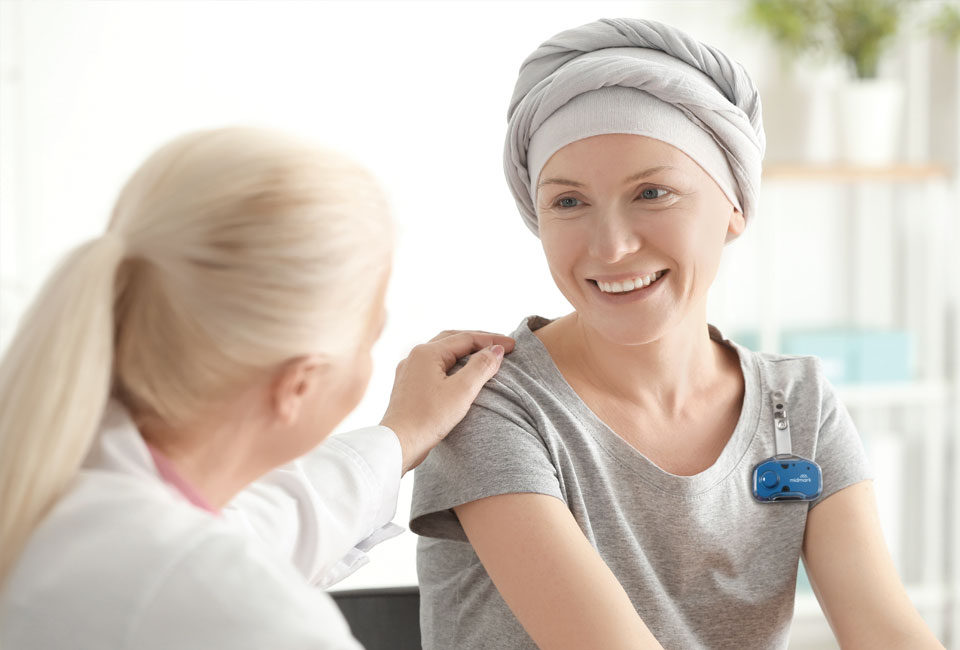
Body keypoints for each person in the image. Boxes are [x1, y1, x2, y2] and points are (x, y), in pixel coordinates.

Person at [410, 17, 945, 650]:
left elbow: (886, 632)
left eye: (652, 192)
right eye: (569, 202)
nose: (611, 246)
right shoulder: (491, 407)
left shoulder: (796, 406)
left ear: (736, 207)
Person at [0, 127, 514, 649]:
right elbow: (215, 575)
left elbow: (256, 525)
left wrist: (403, 435)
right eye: (371, 333)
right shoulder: (238, 611)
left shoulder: (60, 482)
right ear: (299, 384)